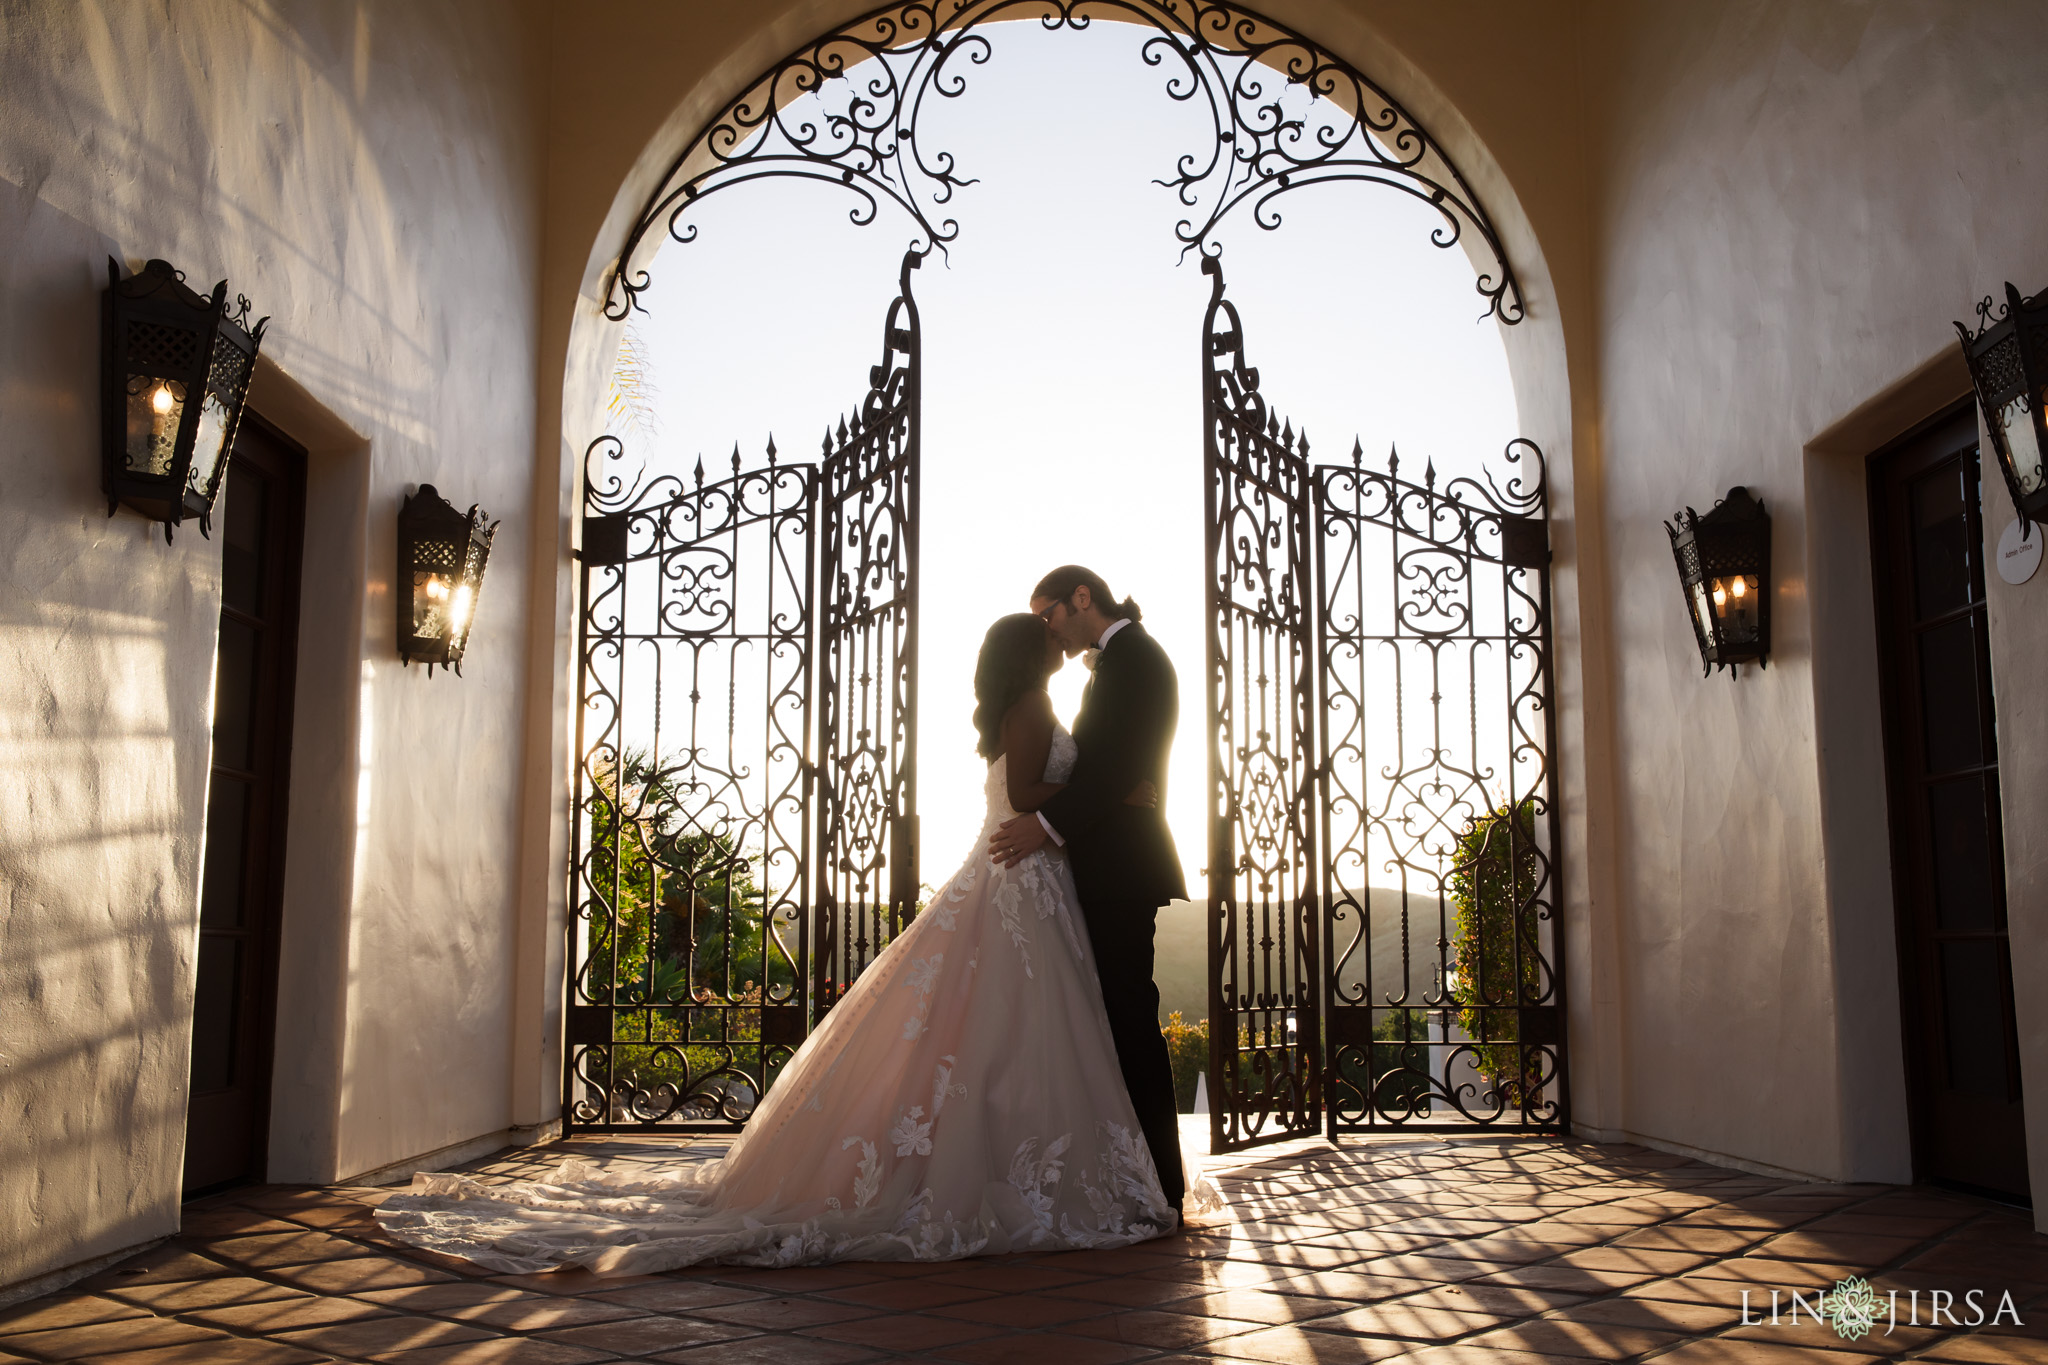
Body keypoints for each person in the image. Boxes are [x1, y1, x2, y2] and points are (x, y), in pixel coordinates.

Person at [375, 613, 1200, 1275]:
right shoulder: (1031, 710)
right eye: (1046, 636)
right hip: (1018, 883)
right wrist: (1110, 791)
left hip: (1031, 885)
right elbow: (1025, 792)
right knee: (996, 1033)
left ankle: (1024, 1161)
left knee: (1007, 1040)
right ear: (1030, 654)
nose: (1057, 642)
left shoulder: (1032, 705)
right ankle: (1006, 1171)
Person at [987, 566, 1187, 1212]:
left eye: (1048, 614)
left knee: (1129, 1018)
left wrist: (1043, 823)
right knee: (1103, 1021)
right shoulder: (1112, 663)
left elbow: (1117, 766)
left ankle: (1160, 1184)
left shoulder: (1138, 660)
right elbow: (1107, 771)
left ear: (1081, 598)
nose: (1046, 630)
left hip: (1122, 869)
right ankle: (1126, 1173)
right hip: (1093, 867)